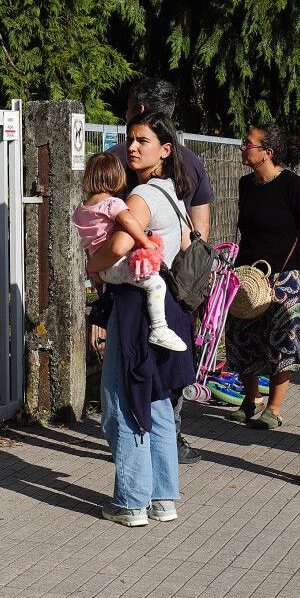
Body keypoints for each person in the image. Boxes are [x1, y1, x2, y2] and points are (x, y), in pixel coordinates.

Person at [87, 111, 196, 526]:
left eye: (142, 141)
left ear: (165, 150)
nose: (131, 147)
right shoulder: (173, 194)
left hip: (134, 308)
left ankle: (132, 502)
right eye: (130, 139)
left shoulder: (142, 196)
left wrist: (90, 267)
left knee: (122, 400)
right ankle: (162, 498)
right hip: (164, 306)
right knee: (156, 400)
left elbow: (116, 245)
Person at [102, 77, 215, 464]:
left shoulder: (122, 161)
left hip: (131, 286)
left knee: (130, 395)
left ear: (142, 110)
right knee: (164, 391)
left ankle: (136, 488)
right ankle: (167, 471)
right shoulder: (191, 162)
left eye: (130, 104)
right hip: (177, 287)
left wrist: (95, 266)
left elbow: (110, 235)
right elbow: (200, 232)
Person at [224, 123, 300, 430]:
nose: (242, 147)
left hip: (284, 277)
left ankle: (275, 408)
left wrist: (285, 254)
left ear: (267, 153)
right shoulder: (245, 184)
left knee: (283, 341)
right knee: (243, 337)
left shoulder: (295, 187)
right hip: (247, 275)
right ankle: (250, 401)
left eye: (248, 144)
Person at [72, 153, 186, 351]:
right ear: (117, 177)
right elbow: (128, 221)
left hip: (102, 267)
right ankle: (159, 328)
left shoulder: (81, 209)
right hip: (114, 263)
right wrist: (145, 241)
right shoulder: (112, 204)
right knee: (156, 283)